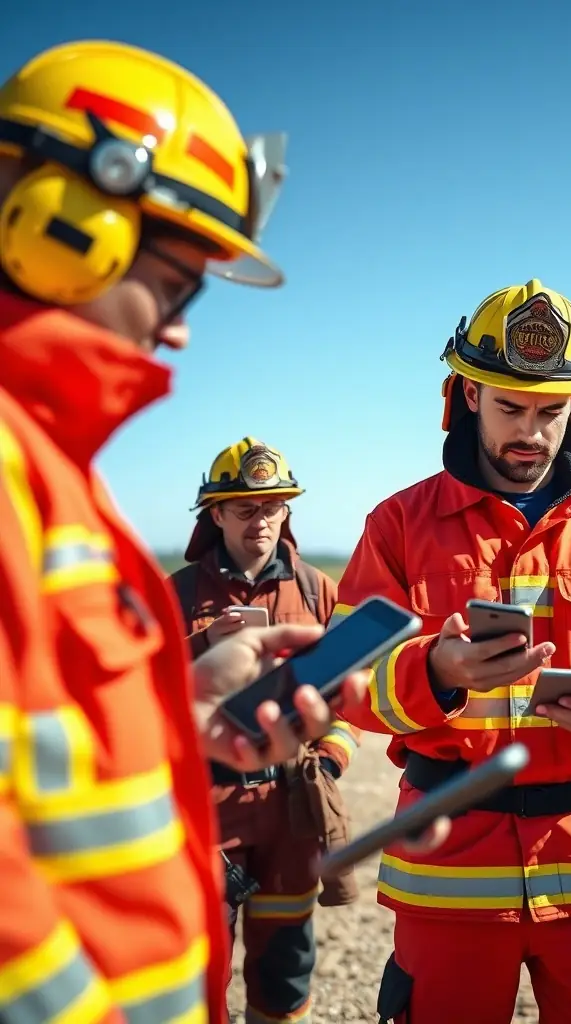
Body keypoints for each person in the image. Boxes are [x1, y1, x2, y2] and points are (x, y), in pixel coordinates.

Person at [0, 39, 445, 1024]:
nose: (180, 330)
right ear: (63, 229)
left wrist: (178, 722)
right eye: (179, 283)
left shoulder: (44, 469)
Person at [332, 278, 571, 1024]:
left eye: (553, 412)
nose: (533, 433)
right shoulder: (398, 524)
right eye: (511, 408)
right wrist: (434, 673)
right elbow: (341, 680)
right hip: (447, 875)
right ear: (467, 396)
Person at [169, 437, 362, 1024]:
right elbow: (135, 691)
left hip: (290, 807)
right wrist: (202, 644)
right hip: (205, 805)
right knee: (200, 963)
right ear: (216, 514)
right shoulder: (176, 593)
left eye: (275, 507)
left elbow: (348, 701)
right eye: (246, 508)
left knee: (285, 967)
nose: (262, 520)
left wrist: (327, 761)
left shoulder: (316, 591)